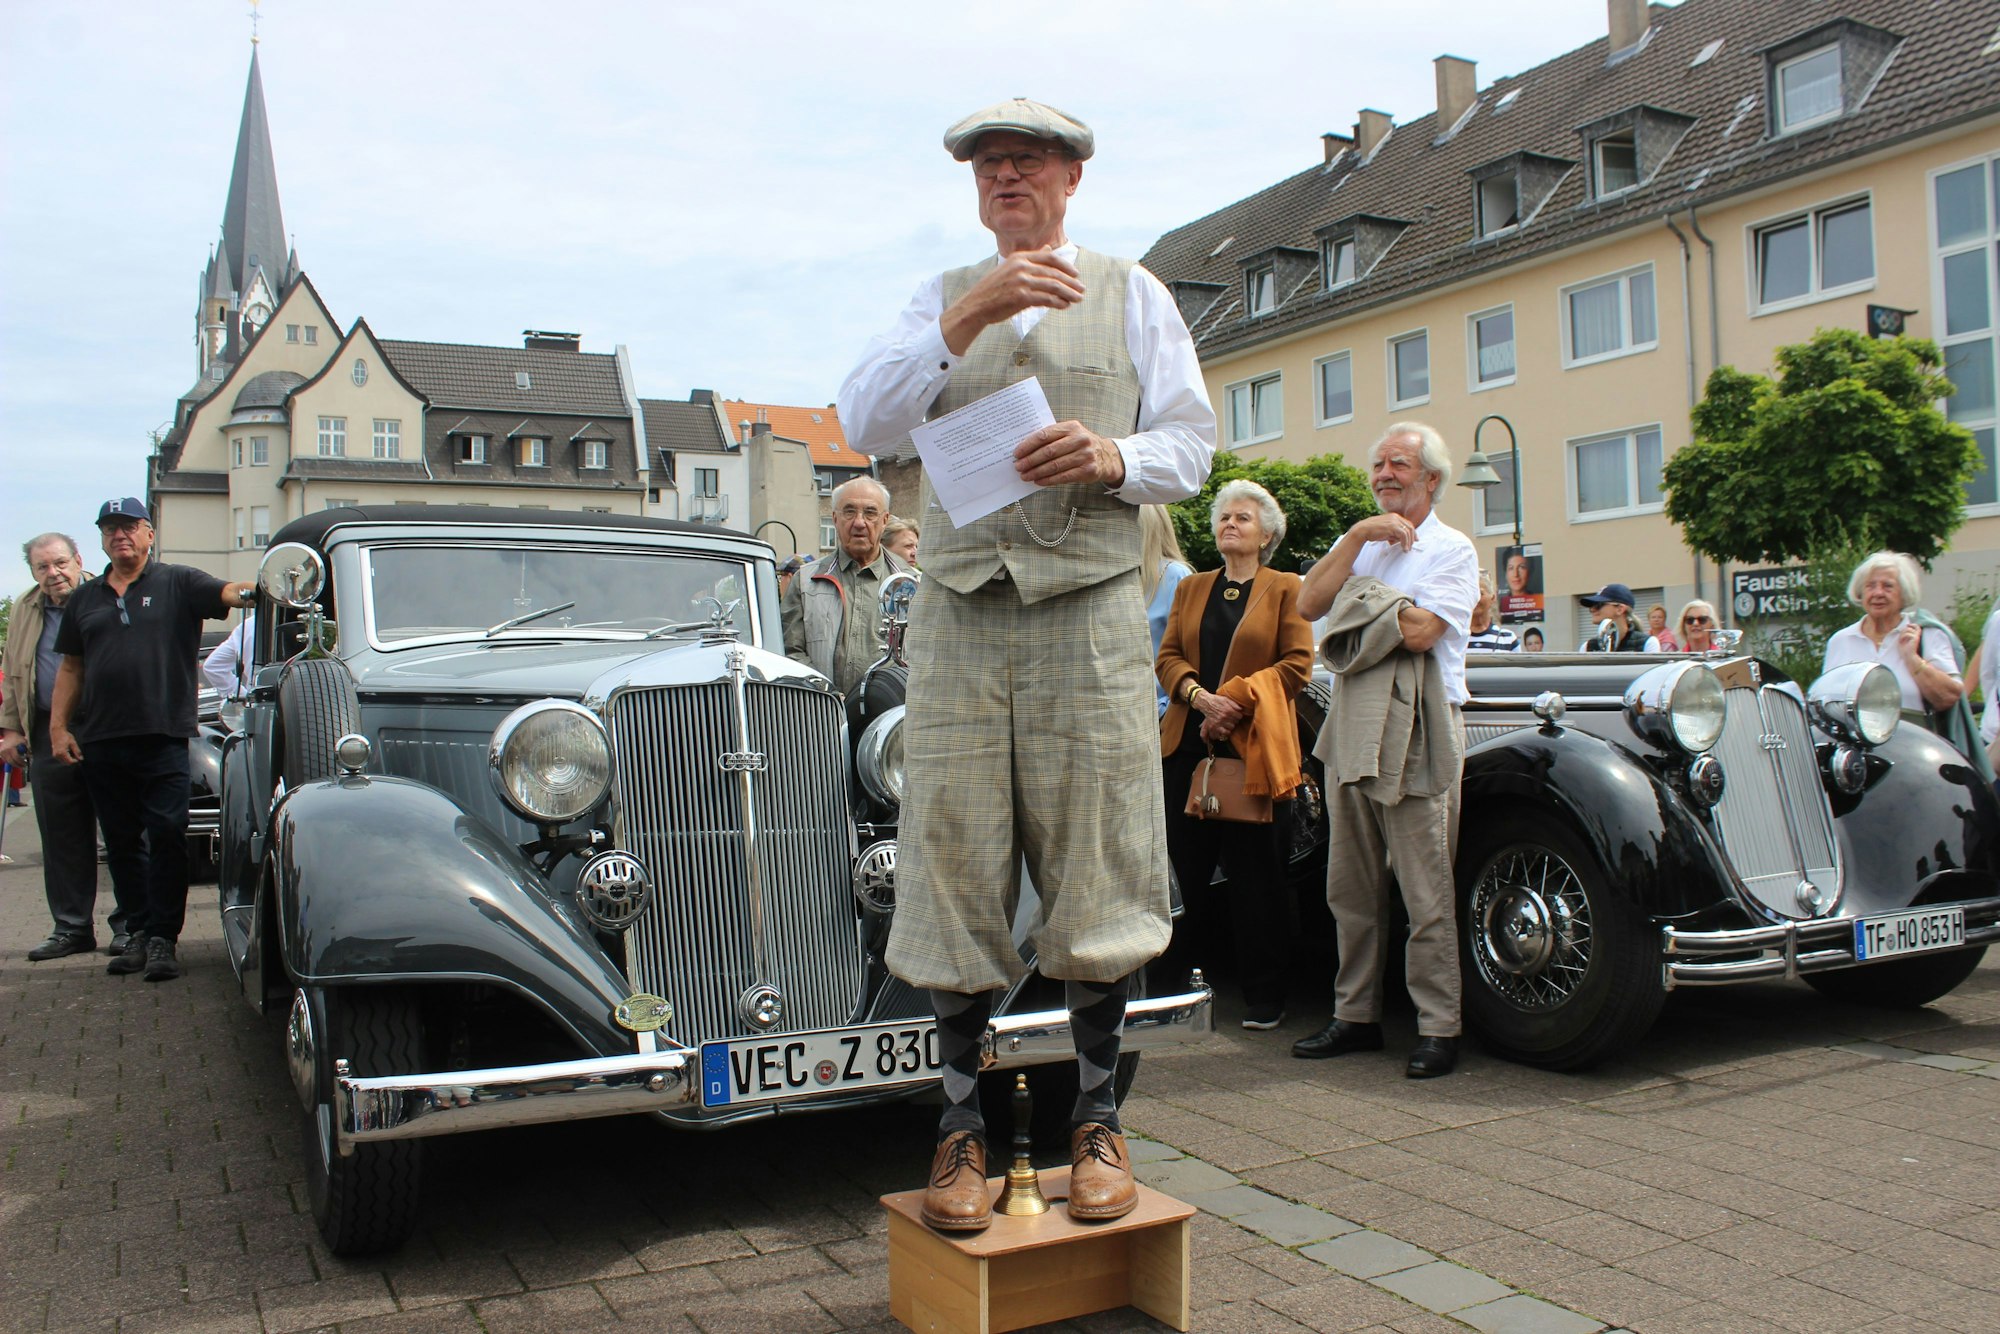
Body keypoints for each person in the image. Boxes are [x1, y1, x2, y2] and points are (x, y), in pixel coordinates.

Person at [838, 98, 1215, 1231]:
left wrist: (1112, 454)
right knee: (950, 855)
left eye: (1028, 162)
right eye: (989, 165)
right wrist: (968, 319)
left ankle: (1097, 1120)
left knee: (1098, 851)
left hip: (1088, 610)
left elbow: (1192, 445)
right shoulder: (939, 296)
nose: (1006, 177)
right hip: (959, 613)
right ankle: (957, 1130)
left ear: (1070, 179)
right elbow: (864, 419)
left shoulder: (1134, 291)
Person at [1293, 423, 1477, 1079]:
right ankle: (1356, 1017)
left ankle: (1438, 1026)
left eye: (1399, 463)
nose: (1384, 475)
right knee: (1350, 885)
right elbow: (1309, 604)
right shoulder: (1361, 545)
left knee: (1426, 889)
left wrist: (1356, 608)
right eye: (1377, 464)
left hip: (1420, 723)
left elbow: (1424, 632)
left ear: (1432, 478)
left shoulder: (1453, 549)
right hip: (1353, 720)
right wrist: (1355, 541)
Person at [50, 499, 256, 982]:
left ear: (149, 533)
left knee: (166, 834)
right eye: (110, 529)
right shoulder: (85, 598)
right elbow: (71, 667)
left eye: (129, 527)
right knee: (121, 842)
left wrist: (264, 587)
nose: (119, 536)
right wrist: (58, 727)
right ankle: (139, 932)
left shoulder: (178, 582)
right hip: (102, 737)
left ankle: (164, 936)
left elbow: (228, 592)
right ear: (102, 539)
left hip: (163, 735)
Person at [1153, 481, 1311, 1030]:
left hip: (1256, 753)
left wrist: (1233, 701)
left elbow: (1296, 666)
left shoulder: (1286, 587)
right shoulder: (1192, 587)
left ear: (1266, 534)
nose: (1230, 524)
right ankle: (1165, 992)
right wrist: (1200, 698)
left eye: (1243, 518)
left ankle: (1264, 997)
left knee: (1257, 880)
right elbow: (1168, 657)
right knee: (1180, 876)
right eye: (1224, 516)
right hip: (1187, 752)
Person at [1, 534, 141, 961]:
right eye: (42, 566)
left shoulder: (109, 595)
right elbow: (14, 668)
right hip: (47, 730)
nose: (53, 573)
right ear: (32, 571)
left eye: (60, 563)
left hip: (107, 727)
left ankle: (131, 926)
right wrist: (11, 729)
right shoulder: (26, 607)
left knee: (122, 831)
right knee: (61, 836)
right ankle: (72, 927)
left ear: (79, 560)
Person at [779, 478, 912, 695]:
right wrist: (825, 694)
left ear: (884, 520)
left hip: (889, 712)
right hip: (821, 709)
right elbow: (789, 650)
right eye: (849, 512)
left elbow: (923, 657)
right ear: (834, 518)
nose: (859, 522)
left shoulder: (909, 583)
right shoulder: (806, 581)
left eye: (870, 513)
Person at [1822, 551, 1963, 713]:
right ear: (1861, 593)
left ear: (1904, 593)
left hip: (1911, 729)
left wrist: (1912, 659)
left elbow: (1949, 697)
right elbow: (1824, 701)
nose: (1878, 593)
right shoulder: (1841, 640)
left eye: (1887, 586)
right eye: (1870, 586)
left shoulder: (1926, 635)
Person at [1140, 505, 1193, 716]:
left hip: (1160, 712)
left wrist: (1167, 710)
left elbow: (1191, 652)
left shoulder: (1175, 575)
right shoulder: (1122, 577)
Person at [1579, 584, 1652, 651]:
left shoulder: (1648, 643)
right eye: (1591, 606)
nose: (1592, 610)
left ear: (1620, 609)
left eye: (1598, 605)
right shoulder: (1587, 647)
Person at [201, 612, 257, 697]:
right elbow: (213, 666)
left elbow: (213, 666)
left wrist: (242, 696)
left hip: (259, 697)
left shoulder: (247, 626)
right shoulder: (248, 626)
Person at [1467, 571, 1518, 651]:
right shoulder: (1455, 638)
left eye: (1480, 593)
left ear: (1493, 598)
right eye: (1470, 594)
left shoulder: (1508, 639)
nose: (1475, 598)